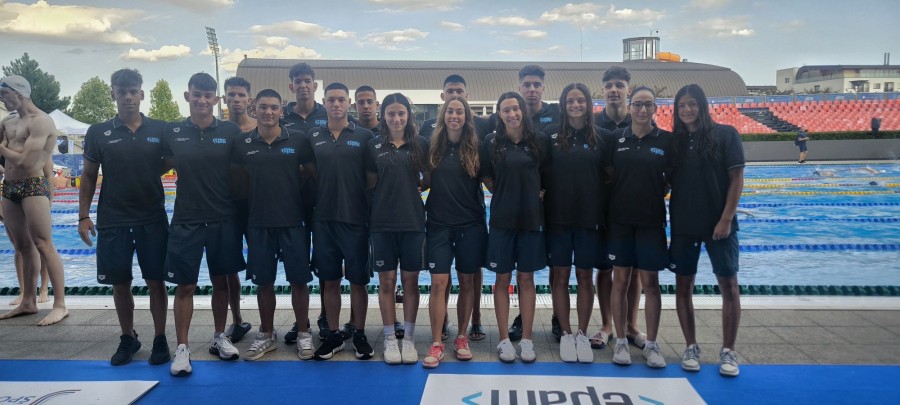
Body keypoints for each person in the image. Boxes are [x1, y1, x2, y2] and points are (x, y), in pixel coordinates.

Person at [77, 68, 171, 366]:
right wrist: (83, 215)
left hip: (151, 217)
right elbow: (88, 175)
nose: (128, 97)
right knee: (120, 282)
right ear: (113, 94)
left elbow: (171, 161)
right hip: (113, 218)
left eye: (133, 91)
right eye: (122, 92)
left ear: (142, 94)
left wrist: (147, 172)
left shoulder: (161, 130)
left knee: (156, 281)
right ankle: (128, 337)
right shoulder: (98, 132)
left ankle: (160, 338)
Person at [162, 73, 246, 376]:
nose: (202, 100)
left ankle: (219, 336)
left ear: (216, 99)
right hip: (187, 218)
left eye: (208, 95)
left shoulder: (230, 131)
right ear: (188, 96)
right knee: (185, 285)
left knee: (222, 281)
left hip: (223, 216)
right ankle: (182, 347)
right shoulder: (173, 132)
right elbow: (155, 165)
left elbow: (242, 171)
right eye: (197, 94)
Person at [232, 89, 316, 361]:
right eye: (263, 107)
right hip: (259, 222)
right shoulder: (243, 143)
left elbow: (311, 174)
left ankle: (303, 332)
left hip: (293, 221)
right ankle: (267, 334)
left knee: (299, 281)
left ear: (282, 110)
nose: (268, 112)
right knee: (264, 282)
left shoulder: (298, 140)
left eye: (273, 107)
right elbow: (239, 181)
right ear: (254, 109)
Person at [669, 84, 744, 377]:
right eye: (681, 105)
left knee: (728, 284)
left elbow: (736, 178)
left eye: (692, 104)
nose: (687, 110)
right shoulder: (675, 142)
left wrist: (726, 218)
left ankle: (728, 350)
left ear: (702, 105)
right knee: (683, 285)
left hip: (718, 224)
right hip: (684, 224)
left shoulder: (726, 135)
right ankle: (691, 346)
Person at [542, 83, 612, 363]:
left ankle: (582, 333)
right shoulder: (550, 136)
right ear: (563, 104)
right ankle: (566, 333)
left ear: (588, 103)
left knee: (584, 276)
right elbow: (540, 173)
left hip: (588, 219)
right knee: (560, 277)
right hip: (557, 218)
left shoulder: (602, 137)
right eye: (570, 100)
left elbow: (610, 176)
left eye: (580, 100)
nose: (575, 105)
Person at [419, 74, 489, 343]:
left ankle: (468, 329)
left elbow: (492, 180)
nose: (454, 114)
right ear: (443, 108)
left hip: (470, 222)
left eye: (459, 110)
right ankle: (439, 333)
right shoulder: (431, 141)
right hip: (439, 222)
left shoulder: (479, 142)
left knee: (468, 279)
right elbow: (424, 178)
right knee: (439, 281)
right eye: (450, 110)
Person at [606, 86, 673, 368]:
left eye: (648, 105)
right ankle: (621, 340)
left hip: (651, 222)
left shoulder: (666, 140)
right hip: (620, 221)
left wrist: (655, 191)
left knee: (651, 284)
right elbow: (609, 175)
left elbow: (671, 177)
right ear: (630, 107)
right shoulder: (616, 139)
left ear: (655, 108)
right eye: (637, 104)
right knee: (620, 281)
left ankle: (652, 343)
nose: (642, 110)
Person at [308, 82, 375, 361]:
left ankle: (359, 332)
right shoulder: (313, 136)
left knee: (358, 281)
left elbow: (371, 178)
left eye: (341, 99)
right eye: (331, 99)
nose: (336, 104)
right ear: (324, 102)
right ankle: (334, 334)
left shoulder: (364, 136)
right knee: (330, 279)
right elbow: (310, 172)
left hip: (355, 219)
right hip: (324, 219)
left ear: (349, 103)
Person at [482, 92, 550, 363]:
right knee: (502, 280)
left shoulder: (539, 140)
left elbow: (547, 174)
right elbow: (486, 175)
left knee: (526, 279)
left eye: (515, 109)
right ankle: (503, 340)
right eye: (506, 110)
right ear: (499, 114)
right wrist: (502, 192)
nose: (512, 114)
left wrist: (538, 192)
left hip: (531, 220)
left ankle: (527, 339)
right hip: (502, 220)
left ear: (523, 110)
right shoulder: (491, 142)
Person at [0, 75, 68, 326]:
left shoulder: (42, 121)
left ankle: (60, 305)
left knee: (43, 243)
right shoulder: (8, 121)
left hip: (33, 185)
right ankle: (28, 301)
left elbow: (26, 162)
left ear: (19, 93)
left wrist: (2, 148)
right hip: (9, 187)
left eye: (4, 94)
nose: (2, 100)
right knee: (22, 246)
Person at [366, 93, 429, 365]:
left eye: (401, 113)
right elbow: (370, 182)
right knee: (387, 282)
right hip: (382, 223)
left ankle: (410, 339)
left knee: (411, 282)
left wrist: (415, 189)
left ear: (408, 115)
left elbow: (429, 177)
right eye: (391, 113)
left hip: (413, 222)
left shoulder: (420, 144)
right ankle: (391, 338)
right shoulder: (373, 145)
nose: (396, 118)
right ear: (383, 115)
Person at [501, 65, 561, 343]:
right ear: (520, 87)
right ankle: (521, 320)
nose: (532, 89)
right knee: (523, 269)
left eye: (537, 84)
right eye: (527, 84)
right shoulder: (506, 119)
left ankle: (558, 318)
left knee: (555, 267)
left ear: (543, 87)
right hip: (518, 209)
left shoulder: (556, 115)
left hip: (550, 206)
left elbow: (553, 163)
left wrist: (544, 189)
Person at [592, 66, 643, 352]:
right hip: (601, 208)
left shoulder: (638, 121)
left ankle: (632, 325)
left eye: (619, 85)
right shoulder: (593, 125)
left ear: (628, 90)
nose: (614, 90)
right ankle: (607, 324)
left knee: (633, 270)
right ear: (603, 91)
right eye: (609, 85)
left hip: (632, 209)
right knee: (604, 269)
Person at [281, 62, 330, 344]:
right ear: (291, 86)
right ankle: (302, 321)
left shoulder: (327, 114)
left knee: (325, 264)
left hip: (324, 200)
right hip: (292, 203)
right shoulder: (282, 118)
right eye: (297, 81)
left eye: (307, 81)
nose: (302, 85)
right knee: (297, 265)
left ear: (314, 85)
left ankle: (325, 317)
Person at [222, 76, 255, 343]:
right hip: (227, 206)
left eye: (241, 95)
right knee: (229, 265)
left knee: (264, 264)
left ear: (249, 100)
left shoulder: (259, 127)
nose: (236, 99)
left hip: (257, 205)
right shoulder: (218, 131)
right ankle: (237, 320)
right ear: (225, 99)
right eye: (231, 95)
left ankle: (268, 324)